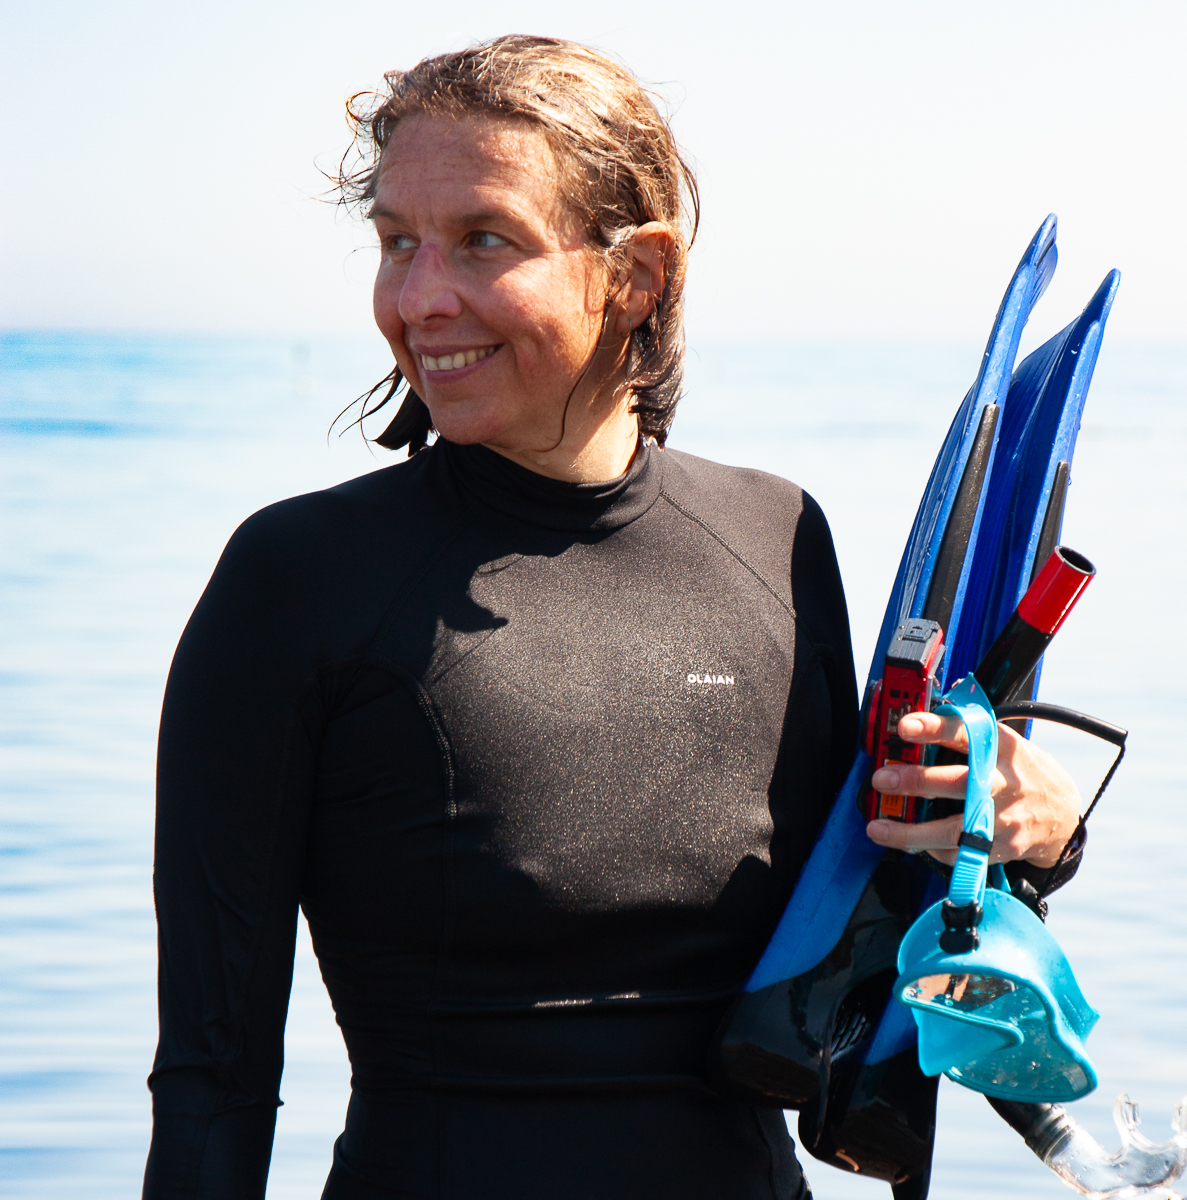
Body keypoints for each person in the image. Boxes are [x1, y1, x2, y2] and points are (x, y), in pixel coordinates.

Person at [142, 35, 1084, 1200]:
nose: (419, 297)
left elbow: (866, 920)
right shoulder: (300, 578)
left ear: (637, 271)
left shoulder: (776, 539)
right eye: (395, 243)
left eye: (484, 239)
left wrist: (1023, 825)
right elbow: (212, 1076)